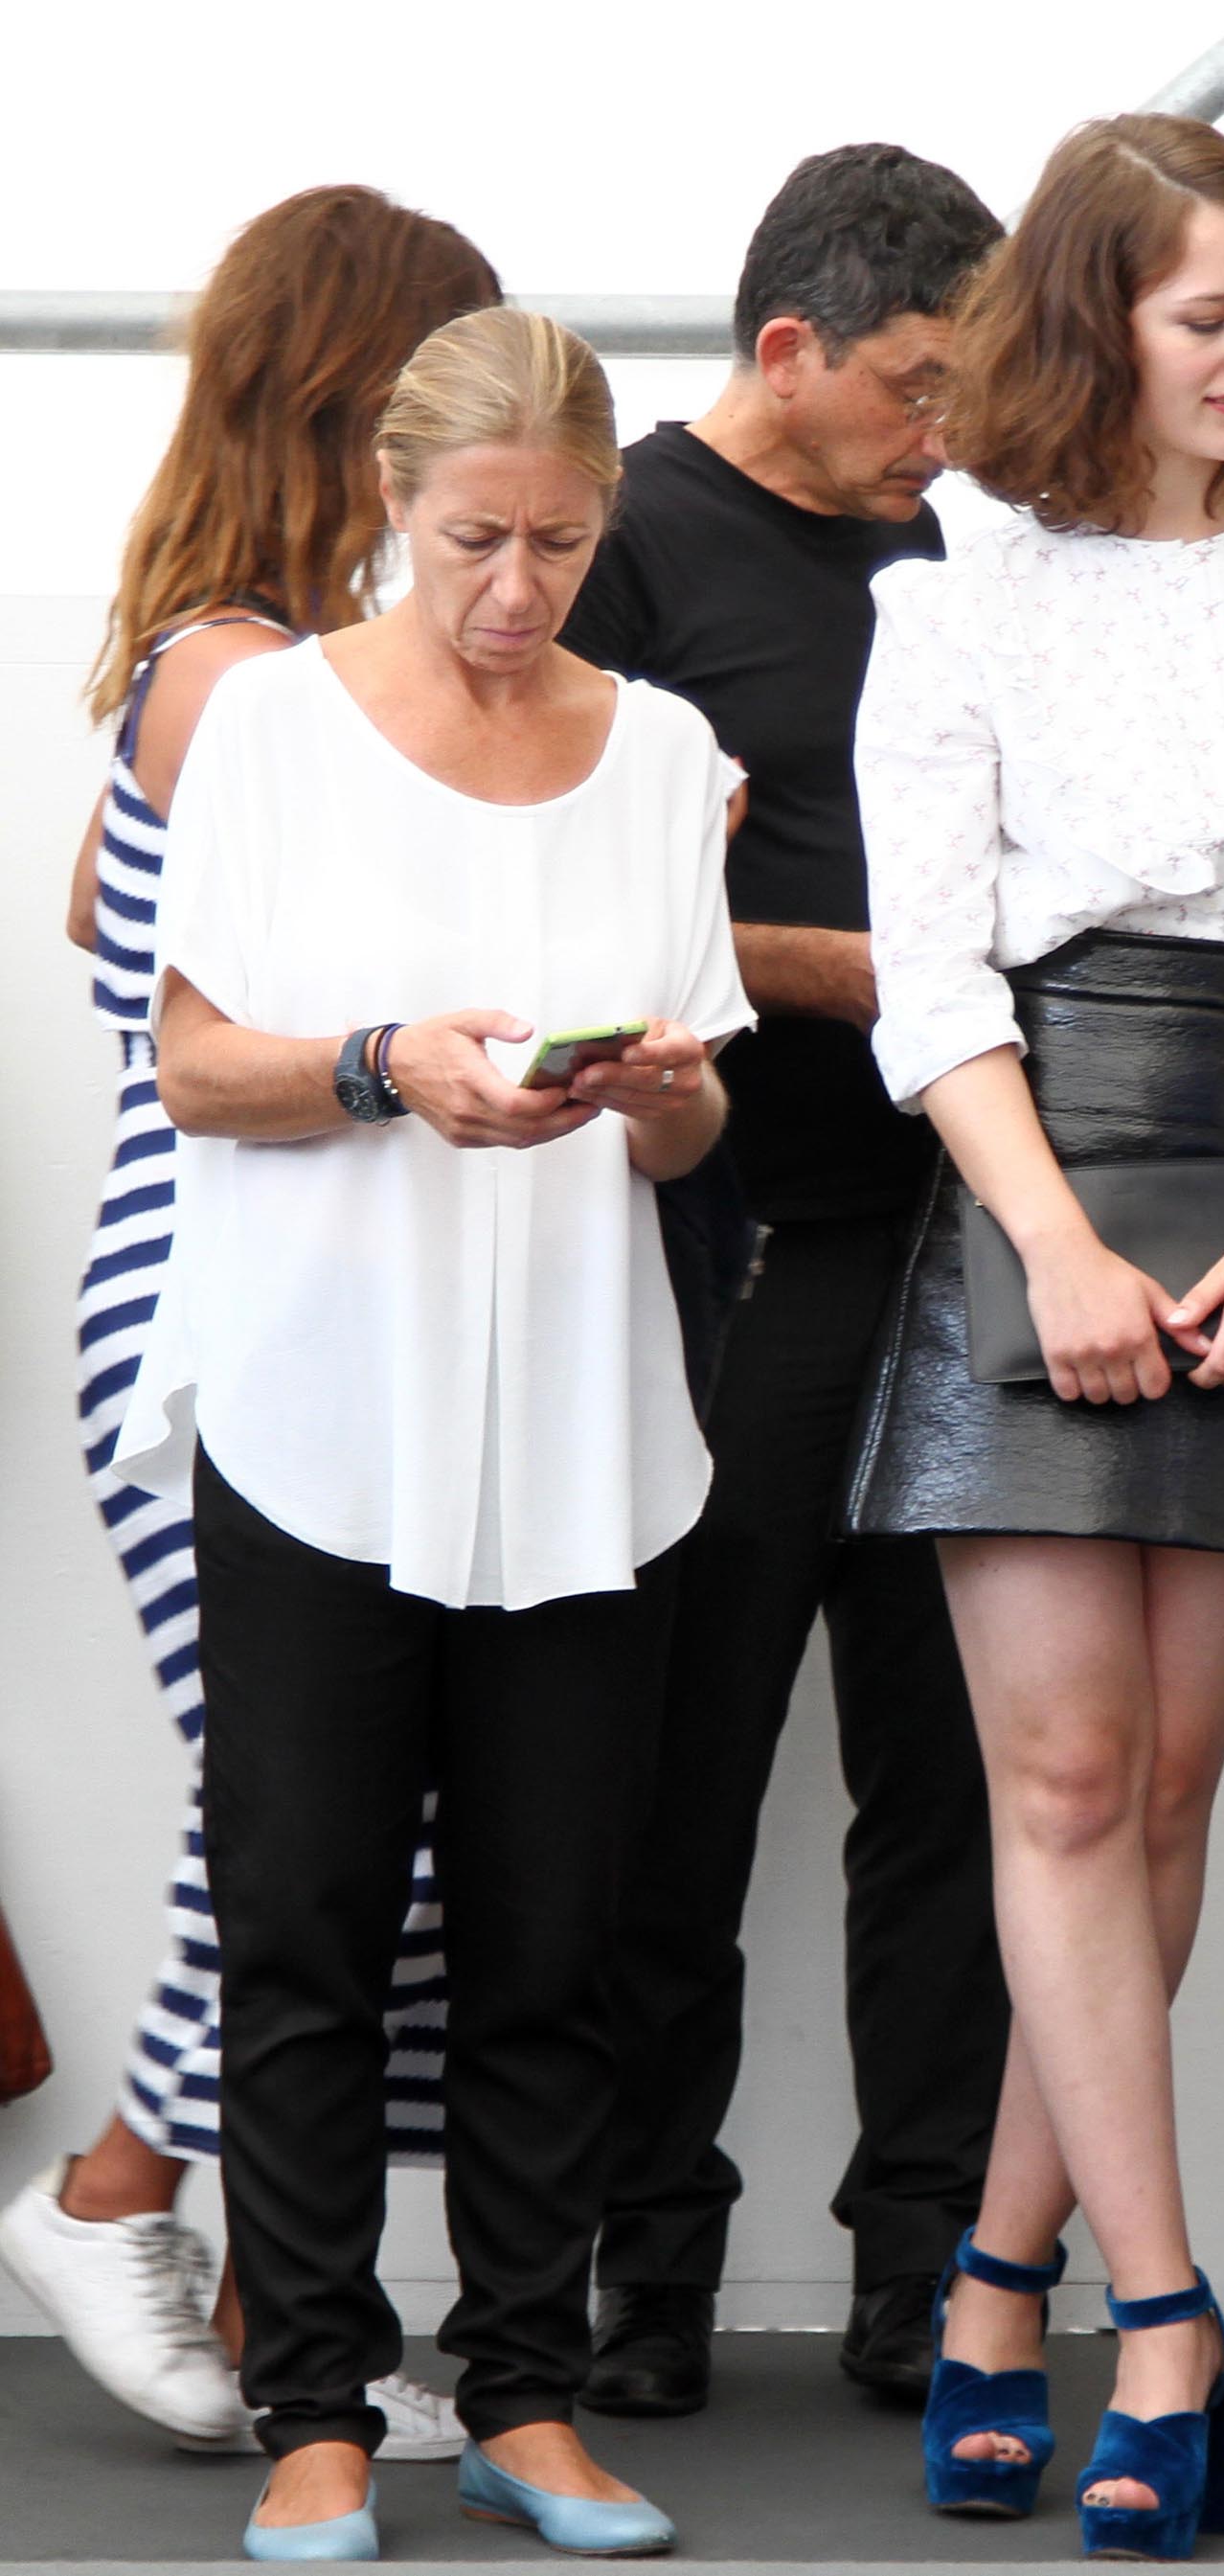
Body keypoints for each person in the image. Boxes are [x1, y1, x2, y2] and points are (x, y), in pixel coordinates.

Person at [848, 112, 1224, 2560]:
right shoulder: (956, 598)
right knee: (1070, 1789)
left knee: (1154, 1805)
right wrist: (1059, 1248)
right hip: (1032, 1185)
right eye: (1205, 312)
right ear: (1097, 319)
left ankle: (999, 2275)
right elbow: (926, 979)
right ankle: (1170, 2311)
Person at [112, 304, 754, 2562]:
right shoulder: (270, 725)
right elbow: (197, 1067)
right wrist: (393, 1061)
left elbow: (692, 1134)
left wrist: (670, 1094)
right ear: (391, 505)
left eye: (561, 546)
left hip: (582, 1401)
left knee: (553, 1926)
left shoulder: (663, 749)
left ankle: (527, 2394)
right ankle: (314, 2407)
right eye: (476, 539)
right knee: (300, 1915)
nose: (515, 592)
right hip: (320, 1396)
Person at [0, 185, 496, 2469]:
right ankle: (112, 2198)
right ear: (352, 404)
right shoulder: (236, 678)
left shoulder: (246, 661)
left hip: (288, 1295)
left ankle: (257, 2274)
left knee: (319, 1819)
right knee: (313, 1827)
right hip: (210, 1303)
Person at [557, 140, 1014, 2419]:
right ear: (787, 350)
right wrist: (869, 976)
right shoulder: (618, 547)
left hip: (958, 1244)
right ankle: (651, 2271)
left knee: (949, 1783)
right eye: (919, 383)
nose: (948, 426)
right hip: (726, 1255)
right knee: (681, 1772)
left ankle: (923, 2268)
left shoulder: (955, 557)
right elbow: (560, 916)